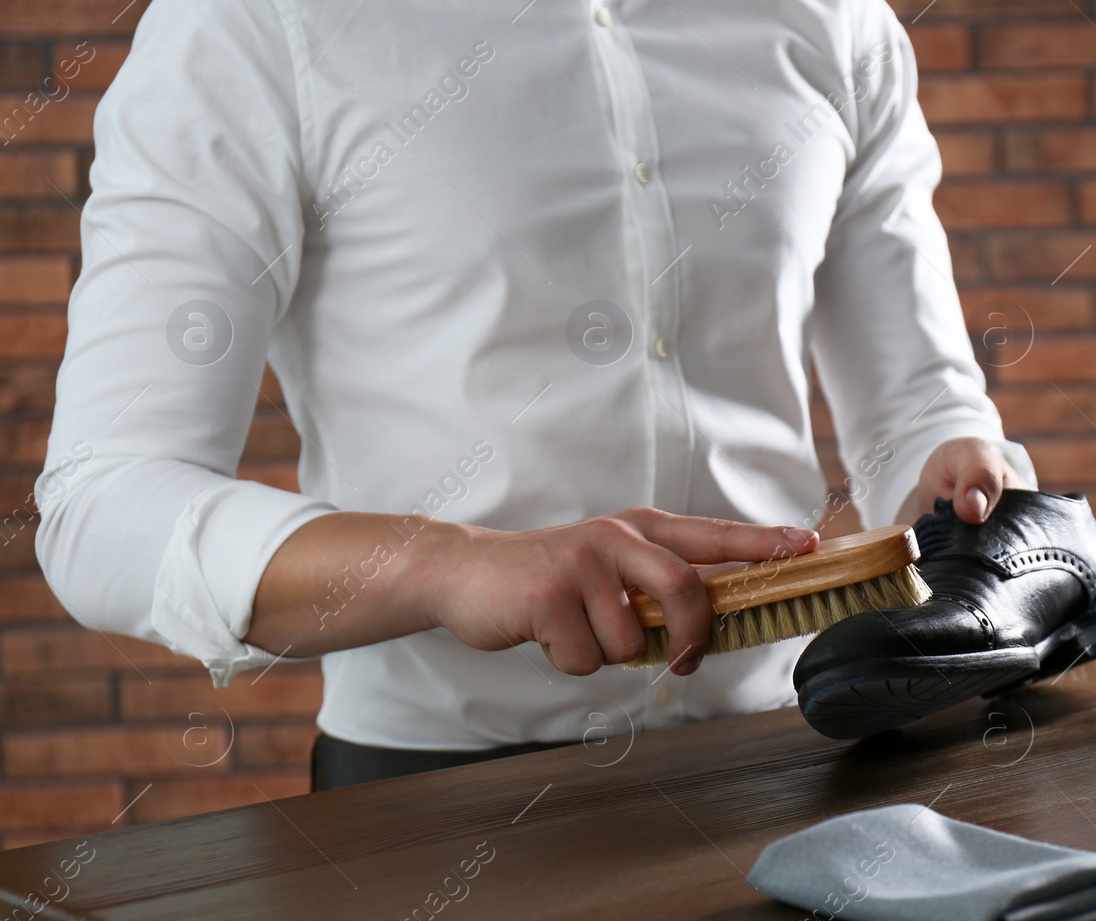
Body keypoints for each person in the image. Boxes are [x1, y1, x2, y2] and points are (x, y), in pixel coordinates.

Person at [36, 0, 1035, 788]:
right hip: (425, 808)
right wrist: (447, 563)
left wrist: (948, 462)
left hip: (800, 762)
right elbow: (102, 500)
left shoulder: (833, 18)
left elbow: (917, 405)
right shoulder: (253, 23)